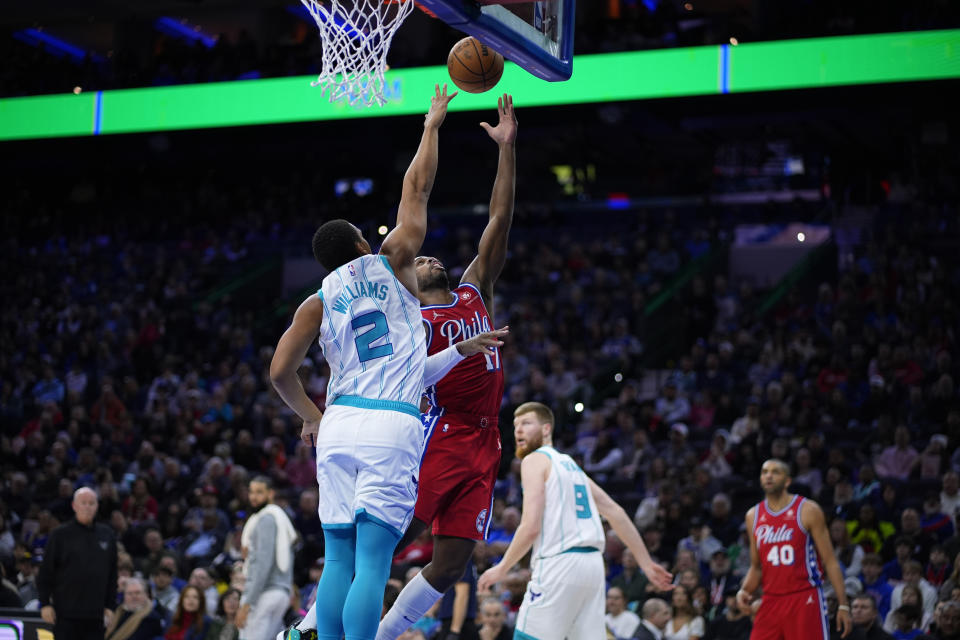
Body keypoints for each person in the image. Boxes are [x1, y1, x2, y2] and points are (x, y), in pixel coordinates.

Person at [270, 84, 502, 640]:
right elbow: (416, 186)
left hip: (340, 421)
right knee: (374, 561)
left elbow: (280, 372)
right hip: (389, 423)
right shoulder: (392, 262)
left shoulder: (316, 300)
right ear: (358, 243)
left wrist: (310, 416)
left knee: (338, 560)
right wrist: (431, 126)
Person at [377, 92, 518, 640]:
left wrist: (507, 150)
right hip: (442, 431)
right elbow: (415, 194)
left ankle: (385, 635)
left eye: (433, 255)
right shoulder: (408, 311)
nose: (430, 255)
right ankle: (317, 621)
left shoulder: (473, 289)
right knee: (388, 531)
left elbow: (501, 218)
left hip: (486, 441)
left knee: (453, 561)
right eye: (421, 257)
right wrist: (431, 129)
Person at [476, 402, 673, 638]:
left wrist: (502, 567)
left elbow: (530, 526)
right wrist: (646, 563)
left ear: (547, 429)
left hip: (559, 564)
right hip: (592, 567)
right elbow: (615, 512)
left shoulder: (534, 460)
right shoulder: (571, 467)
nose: (518, 429)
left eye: (527, 423)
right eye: (516, 424)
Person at [736, 459, 854, 640]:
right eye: (764, 471)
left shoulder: (808, 509)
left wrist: (843, 605)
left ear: (788, 481)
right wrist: (744, 590)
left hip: (804, 596)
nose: (768, 475)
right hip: (770, 599)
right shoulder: (753, 516)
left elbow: (830, 561)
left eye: (775, 472)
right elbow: (756, 567)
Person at [37, 487, 118, 640]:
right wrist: (45, 603)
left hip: (96, 615)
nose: (87, 507)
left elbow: (112, 574)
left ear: (97, 506)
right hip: (65, 614)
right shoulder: (60, 535)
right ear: (74, 506)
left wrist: (110, 606)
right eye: (83, 503)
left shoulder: (107, 534)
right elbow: (46, 571)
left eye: (91, 503)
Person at [235, 476, 296, 639]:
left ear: (270, 494)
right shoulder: (279, 518)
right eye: (251, 492)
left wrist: (248, 603)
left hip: (265, 593)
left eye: (259, 492)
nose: (253, 497)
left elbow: (262, 564)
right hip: (281, 593)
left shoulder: (265, 520)